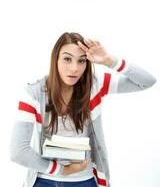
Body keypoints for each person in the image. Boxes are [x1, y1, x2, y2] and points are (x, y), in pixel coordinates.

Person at [10, 32, 156, 187]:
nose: (74, 68)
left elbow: (147, 81)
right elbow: (18, 152)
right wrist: (63, 170)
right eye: (67, 59)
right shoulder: (34, 93)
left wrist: (109, 61)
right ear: (55, 60)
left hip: (84, 180)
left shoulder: (94, 85)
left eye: (82, 61)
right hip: (43, 180)